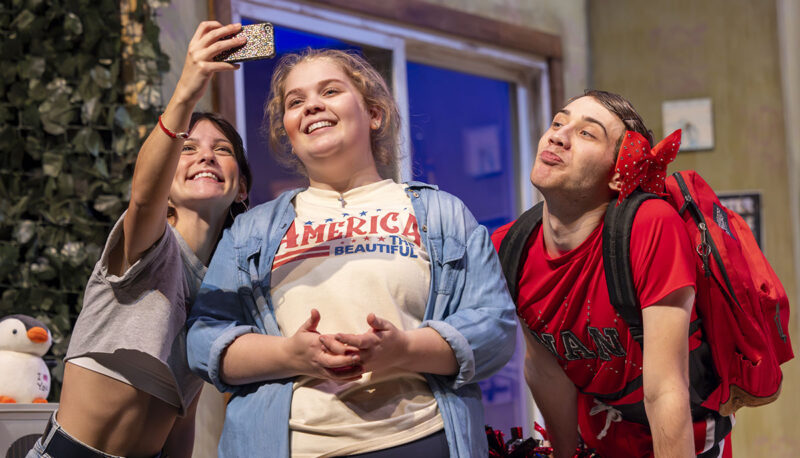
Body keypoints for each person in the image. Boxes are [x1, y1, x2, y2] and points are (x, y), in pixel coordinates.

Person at [186, 48, 517, 458]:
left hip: (420, 439)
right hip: (291, 447)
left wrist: (405, 350)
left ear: (374, 114)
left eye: (330, 91)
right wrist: (290, 355)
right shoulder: (251, 231)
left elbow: (495, 326)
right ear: (287, 129)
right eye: (296, 101)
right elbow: (203, 339)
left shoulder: (441, 213)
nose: (312, 106)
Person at [28, 22, 252, 458]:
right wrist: (188, 89)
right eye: (189, 148)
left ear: (242, 187)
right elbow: (144, 196)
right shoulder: (151, 245)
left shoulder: (223, 288)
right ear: (168, 179)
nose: (206, 154)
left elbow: (182, 408)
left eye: (222, 150)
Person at [491, 90, 730, 458]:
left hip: (684, 443)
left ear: (620, 174)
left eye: (587, 133)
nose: (557, 135)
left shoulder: (649, 226)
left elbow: (665, 387)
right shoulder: (511, 246)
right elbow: (545, 368)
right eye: (558, 122)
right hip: (599, 444)